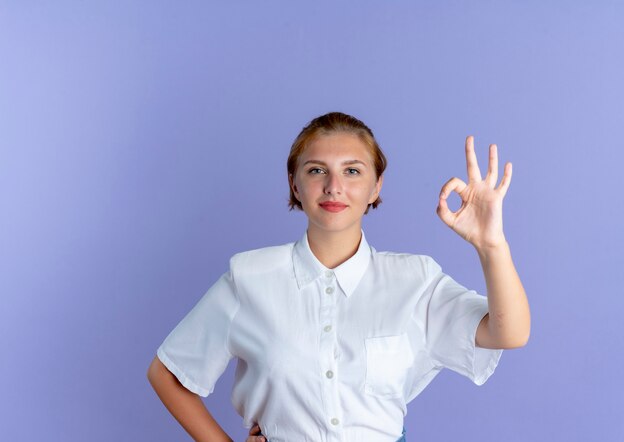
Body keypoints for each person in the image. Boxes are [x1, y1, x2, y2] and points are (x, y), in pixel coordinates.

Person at [146, 112, 530, 442]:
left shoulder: (416, 280)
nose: (334, 186)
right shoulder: (249, 277)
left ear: (376, 185)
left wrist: (491, 245)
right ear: (295, 184)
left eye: (352, 171)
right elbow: (168, 373)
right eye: (316, 171)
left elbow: (508, 334)